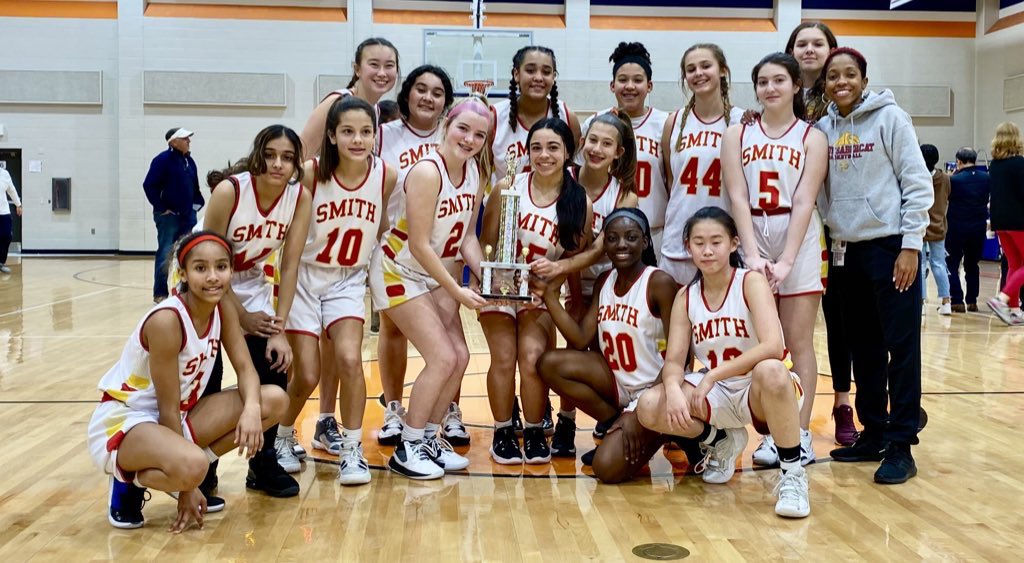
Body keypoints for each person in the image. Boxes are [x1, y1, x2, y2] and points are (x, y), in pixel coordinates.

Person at [86, 230, 289, 531]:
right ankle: (128, 481)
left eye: (221, 267)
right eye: (200, 268)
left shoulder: (223, 308)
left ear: (231, 270)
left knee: (272, 400)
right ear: (182, 273)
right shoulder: (167, 321)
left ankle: (183, 470)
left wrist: (250, 410)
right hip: (127, 420)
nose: (212, 277)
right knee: (195, 467)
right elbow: (166, 409)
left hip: (177, 417)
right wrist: (187, 486)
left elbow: (246, 369)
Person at [634, 207, 809, 518]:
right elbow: (674, 360)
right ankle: (722, 441)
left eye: (716, 241)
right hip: (717, 394)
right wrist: (672, 388)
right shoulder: (686, 297)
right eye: (699, 242)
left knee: (771, 370)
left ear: (734, 243)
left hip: (761, 391)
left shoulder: (750, 282)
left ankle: (793, 475)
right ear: (687, 246)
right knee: (649, 405)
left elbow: (773, 346)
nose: (707, 250)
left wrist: (713, 375)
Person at [816, 47, 933, 484]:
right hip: (846, 252)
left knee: (901, 350)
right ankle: (873, 432)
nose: (841, 81)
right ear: (824, 83)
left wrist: (910, 245)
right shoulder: (823, 128)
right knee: (862, 348)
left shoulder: (891, 118)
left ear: (864, 80)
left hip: (890, 249)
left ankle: (902, 445)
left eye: (850, 74)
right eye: (832, 76)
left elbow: (917, 184)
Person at [368, 95, 492, 480]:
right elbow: (419, 244)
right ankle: (408, 446)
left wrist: (492, 276)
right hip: (397, 269)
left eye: (480, 135)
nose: (470, 139)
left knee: (459, 355)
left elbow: (467, 239)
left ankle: (430, 437)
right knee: (441, 357)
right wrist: (458, 291)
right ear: (445, 125)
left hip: (429, 271)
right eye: (463, 129)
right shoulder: (426, 172)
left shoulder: (474, 173)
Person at [283, 96, 395, 486]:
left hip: (347, 278)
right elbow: (293, 242)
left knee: (350, 359)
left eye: (366, 132)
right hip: (306, 279)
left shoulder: (385, 174)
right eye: (347, 131)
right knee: (307, 373)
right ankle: (282, 437)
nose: (357, 139)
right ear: (331, 135)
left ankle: (352, 449)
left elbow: (380, 231)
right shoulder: (312, 175)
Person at [723, 52, 827, 467]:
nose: (770, 88)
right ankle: (771, 434)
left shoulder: (811, 136)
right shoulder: (738, 134)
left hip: (798, 238)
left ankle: (798, 435)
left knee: (798, 341)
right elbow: (737, 196)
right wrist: (751, 255)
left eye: (779, 80)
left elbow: (804, 199)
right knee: (766, 345)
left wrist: (785, 261)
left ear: (796, 86)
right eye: (762, 81)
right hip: (752, 236)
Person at [203, 125, 310, 497]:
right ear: (257, 154)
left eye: (287, 157)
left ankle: (261, 464)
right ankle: (204, 465)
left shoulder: (298, 197)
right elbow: (207, 258)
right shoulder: (230, 191)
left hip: (248, 279)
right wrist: (241, 317)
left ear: (297, 163)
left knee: (274, 362)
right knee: (207, 374)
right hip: (205, 280)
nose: (278, 164)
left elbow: (291, 264)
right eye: (270, 155)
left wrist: (278, 327)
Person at [538, 208, 680, 481]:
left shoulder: (659, 283)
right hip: (618, 384)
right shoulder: (605, 281)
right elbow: (580, 339)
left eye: (630, 237)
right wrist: (548, 296)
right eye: (612, 238)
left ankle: (659, 430)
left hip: (654, 390)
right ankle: (617, 422)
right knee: (550, 364)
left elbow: (680, 356)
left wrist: (643, 410)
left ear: (645, 241)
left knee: (605, 468)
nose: (621, 244)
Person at [480, 118, 592, 466]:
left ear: (567, 152)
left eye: (553, 147)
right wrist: (491, 282)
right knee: (503, 357)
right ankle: (502, 431)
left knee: (531, 359)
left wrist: (550, 287)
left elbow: (572, 259)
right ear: (527, 152)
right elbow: (486, 243)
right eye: (537, 148)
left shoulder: (578, 200)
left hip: (541, 295)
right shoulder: (506, 186)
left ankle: (531, 429)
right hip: (500, 291)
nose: (544, 155)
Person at [373, 66, 466, 447]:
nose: (428, 97)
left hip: (438, 257)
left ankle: (442, 418)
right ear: (407, 93)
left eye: (438, 92)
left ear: (447, 103)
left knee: (451, 349)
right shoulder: (384, 135)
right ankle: (396, 411)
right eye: (421, 89)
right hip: (401, 253)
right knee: (400, 333)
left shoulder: (462, 147)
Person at [541, 110, 639, 457]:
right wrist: (563, 277)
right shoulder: (563, 178)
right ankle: (566, 420)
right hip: (560, 281)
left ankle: (610, 416)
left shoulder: (624, 193)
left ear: (619, 152)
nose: (597, 148)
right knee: (571, 350)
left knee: (599, 356)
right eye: (592, 140)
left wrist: (565, 268)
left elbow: (599, 250)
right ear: (581, 143)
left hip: (608, 285)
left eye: (606, 143)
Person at [783, 21, 856, 446]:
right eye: (801, 43)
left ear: (832, 49)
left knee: (841, 323)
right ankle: (777, 407)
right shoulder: (778, 98)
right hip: (792, 226)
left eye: (818, 43)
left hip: (839, 228)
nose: (809, 50)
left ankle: (843, 402)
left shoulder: (845, 99)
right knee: (792, 330)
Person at [661, 43, 745, 286]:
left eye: (705, 66)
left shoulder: (742, 122)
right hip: (679, 238)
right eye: (691, 69)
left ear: (722, 70)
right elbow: (670, 180)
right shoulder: (673, 122)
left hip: (722, 242)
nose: (698, 73)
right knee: (675, 321)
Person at [578, 42, 669, 254]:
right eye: (622, 80)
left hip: (653, 230)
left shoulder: (665, 123)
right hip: (603, 227)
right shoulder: (595, 123)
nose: (629, 86)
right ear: (612, 85)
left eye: (637, 80)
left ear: (650, 86)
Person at [490, 45, 581, 187]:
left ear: (553, 77)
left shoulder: (568, 117)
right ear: (516, 74)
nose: (538, 77)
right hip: (506, 204)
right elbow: (482, 172)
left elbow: (573, 169)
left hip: (552, 204)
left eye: (546, 72)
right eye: (530, 70)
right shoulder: (494, 117)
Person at [300, 37, 400, 159]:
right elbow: (301, 156)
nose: (382, 73)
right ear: (357, 69)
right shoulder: (336, 102)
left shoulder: (375, 109)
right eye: (374, 65)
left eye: (389, 66)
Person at [144, 127, 205, 302]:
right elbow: (149, 185)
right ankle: (160, 293)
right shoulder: (162, 160)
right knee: (165, 253)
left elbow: (195, 187)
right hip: (168, 217)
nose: (189, 141)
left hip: (188, 216)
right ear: (173, 141)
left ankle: (184, 291)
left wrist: (196, 205)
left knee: (187, 253)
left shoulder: (189, 161)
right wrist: (162, 207)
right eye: (185, 138)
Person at [986, 122, 1024, 325]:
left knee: (1015, 264)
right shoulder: (1020, 163)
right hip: (1019, 221)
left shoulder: (995, 165)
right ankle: (1002, 299)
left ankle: (1015, 309)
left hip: (1000, 221)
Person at [945, 147, 990, 312]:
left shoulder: (954, 180)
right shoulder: (986, 178)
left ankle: (956, 300)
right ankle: (972, 300)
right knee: (972, 264)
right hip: (978, 227)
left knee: (952, 264)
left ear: (958, 160)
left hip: (956, 227)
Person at [919, 144, 952, 315]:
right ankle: (946, 302)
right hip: (939, 226)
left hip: (920, 226)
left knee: (920, 264)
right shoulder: (945, 178)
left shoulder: (918, 176)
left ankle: (921, 302)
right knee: (939, 263)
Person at [0, 166, 22, 273]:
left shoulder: (4, 174)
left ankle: (1, 262)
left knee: (7, 236)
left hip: (4, 211)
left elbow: (11, 190)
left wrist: (18, 204)